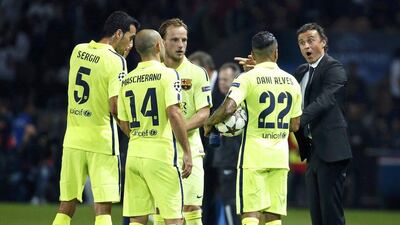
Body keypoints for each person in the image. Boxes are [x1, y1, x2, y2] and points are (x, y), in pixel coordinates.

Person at [205, 31, 302, 225]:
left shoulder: (247, 78)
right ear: (276, 53)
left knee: (250, 212)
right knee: (274, 214)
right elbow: (295, 124)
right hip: (279, 156)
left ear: (253, 54)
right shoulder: (291, 81)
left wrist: (209, 122)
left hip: (253, 156)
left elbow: (229, 107)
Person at [52, 11, 140, 225]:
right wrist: (132, 133)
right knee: (103, 210)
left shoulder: (78, 50)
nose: (131, 45)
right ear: (118, 34)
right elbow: (114, 106)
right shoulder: (116, 61)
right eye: (130, 38)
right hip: (101, 141)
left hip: (73, 139)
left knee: (66, 206)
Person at [118, 29, 192, 225]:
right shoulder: (168, 75)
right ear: (159, 46)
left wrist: (139, 135)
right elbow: (174, 113)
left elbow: (121, 119)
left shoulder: (127, 80)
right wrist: (187, 151)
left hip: (134, 154)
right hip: (161, 155)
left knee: (137, 218)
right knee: (173, 217)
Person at [154, 18, 212, 225]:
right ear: (161, 42)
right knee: (162, 208)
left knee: (192, 206)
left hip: (192, 149)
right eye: (175, 39)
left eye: (184, 40)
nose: (181, 45)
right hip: (160, 150)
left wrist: (178, 129)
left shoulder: (197, 73)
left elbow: (204, 112)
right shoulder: (153, 73)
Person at [294, 23, 352, 225]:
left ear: (323, 42)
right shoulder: (301, 72)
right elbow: (281, 89)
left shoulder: (333, 67)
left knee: (331, 214)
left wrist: (299, 120)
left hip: (332, 151)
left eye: (310, 40)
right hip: (313, 151)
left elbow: (326, 100)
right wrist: (257, 70)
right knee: (317, 216)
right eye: (302, 43)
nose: (306, 46)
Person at [211, 62, 242, 225]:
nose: (222, 83)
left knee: (231, 201)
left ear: (235, 80)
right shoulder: (218, 101)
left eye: (226, 79)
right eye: (220, 80)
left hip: (232, 160)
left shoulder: (236, 105)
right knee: (225, 200)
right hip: (224, 161)